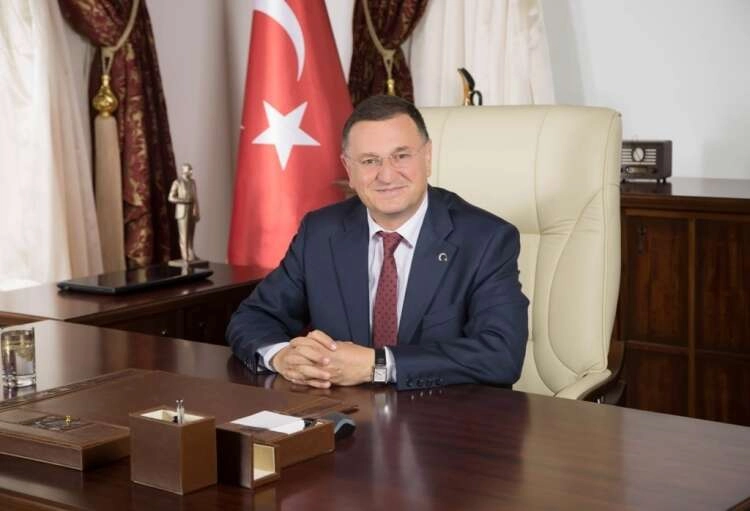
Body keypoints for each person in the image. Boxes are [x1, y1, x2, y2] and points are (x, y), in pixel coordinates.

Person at [226, 95, 528, 391]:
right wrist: (281, 357)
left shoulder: (486, 239)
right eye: (370, 161)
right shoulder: (320, 232)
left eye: (401, 156)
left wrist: (378, 364)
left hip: (445, 415)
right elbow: (253, 317)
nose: (386, 175)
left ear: (427, 157)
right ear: (349, 169)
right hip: (341, 412)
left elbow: (501, 354)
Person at [168, 163, 200, 262]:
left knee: (191, 234)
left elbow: (195, 198)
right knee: (184, 235)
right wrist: (183, 200)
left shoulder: (192, 182)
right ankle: (185, 256)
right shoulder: (177, 182)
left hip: (192, 210)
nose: (191, 171)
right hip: (182, 212)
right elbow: (171, 197)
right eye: (189, 169)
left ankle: (191, 253)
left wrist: (197, 210)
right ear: (184, 170)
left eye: (191, 169)